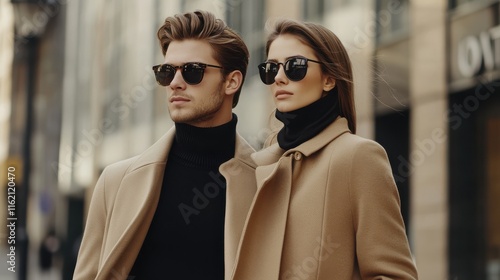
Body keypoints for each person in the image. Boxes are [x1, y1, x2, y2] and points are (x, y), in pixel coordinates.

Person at [221, 19, 419, 279]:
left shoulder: (358, 157)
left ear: (329, 79)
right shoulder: (256, 166)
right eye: (271, 69)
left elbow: (394, 274)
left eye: (294, 67)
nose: (279, 78)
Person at [73, 10, 255, 279]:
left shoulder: (264, 182)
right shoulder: (116, 182)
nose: (175, 83)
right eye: (166, 72)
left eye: (193, 71)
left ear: (231, 81)